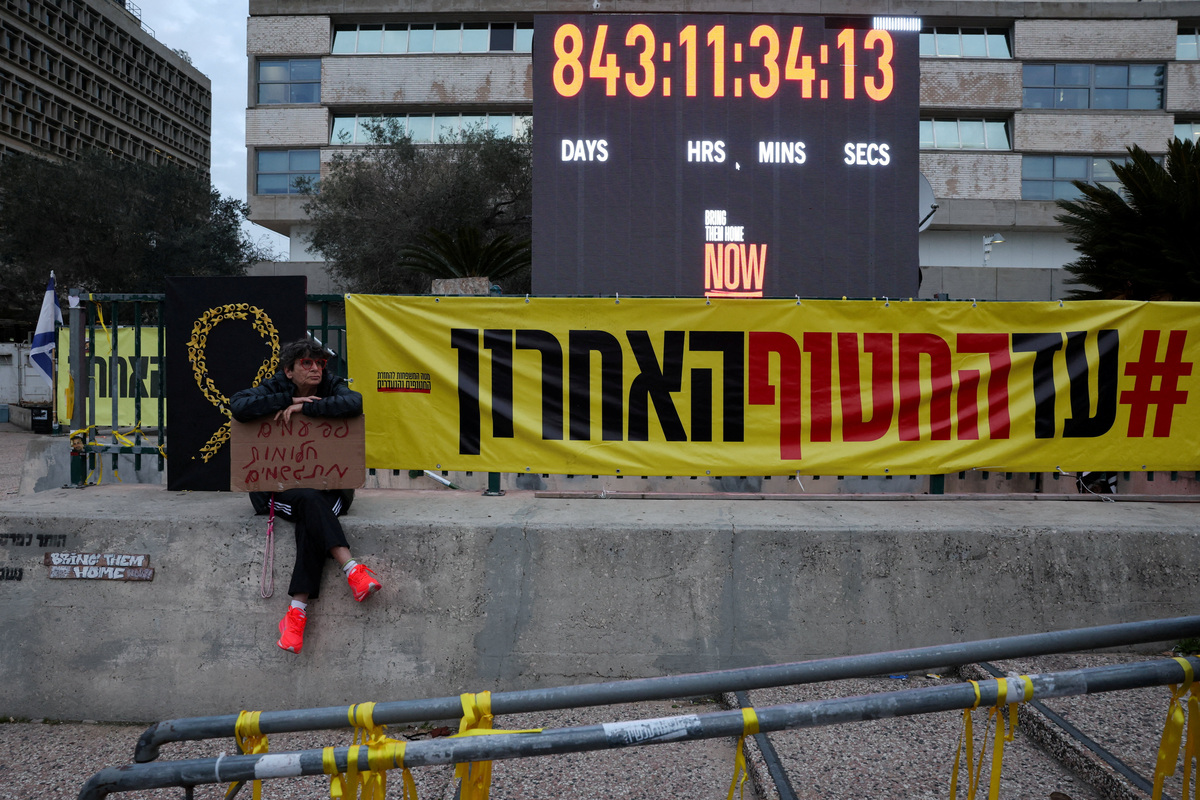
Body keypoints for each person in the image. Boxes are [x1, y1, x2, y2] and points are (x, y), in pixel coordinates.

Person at [230, 337, 382, 654]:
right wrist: (285, 400)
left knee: (311, 515)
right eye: (307, 364)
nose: (316, 369)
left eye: (320, 363)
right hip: (279, 491)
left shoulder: (330, 385)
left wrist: (307, 406)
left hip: (332, 488)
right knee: (310, 503)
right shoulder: (274, 387)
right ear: (288, 370)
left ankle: (295, 615)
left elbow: (354, 403)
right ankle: (352, 569)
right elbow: (239, 406)